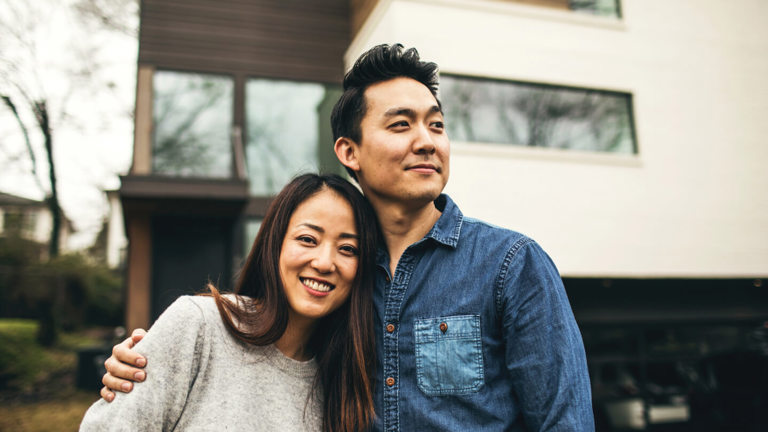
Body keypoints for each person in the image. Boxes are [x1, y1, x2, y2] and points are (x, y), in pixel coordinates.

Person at [101, 44, 594, 430]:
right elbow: (262, 357)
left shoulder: (510, 264)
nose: (426, 140)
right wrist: (145, 366)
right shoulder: (336, 283)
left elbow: (563, 420)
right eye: (401, 125)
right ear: (349, 151)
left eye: (437, 125)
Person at [81, 174, 379, 432]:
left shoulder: (347, 385)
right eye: (308, 239)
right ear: (274, 244)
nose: (325, 262)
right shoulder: (199, 326)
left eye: (348, 249)